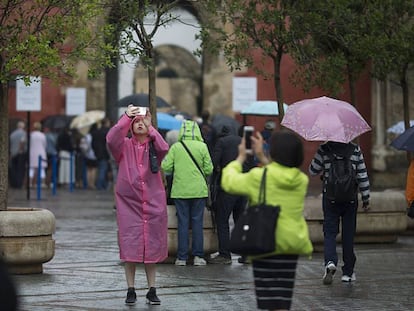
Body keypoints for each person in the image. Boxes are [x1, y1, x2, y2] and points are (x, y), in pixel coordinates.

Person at [221, 129, 313, 311]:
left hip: (265, 242)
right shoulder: (301, 180)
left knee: (268, 301)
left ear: (274, 152)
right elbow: (278, 173)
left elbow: (229, 182)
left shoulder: (258, 176)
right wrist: (263, 156)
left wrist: (240, 157)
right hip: (290, 244)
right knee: (282, 300)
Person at [106, 105, 169, 306]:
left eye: (143, 121)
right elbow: (111, 139)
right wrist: (126, 117)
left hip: (152, 204)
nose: (140, 123)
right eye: (136, 122)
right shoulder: (123, 147)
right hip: (129, 206)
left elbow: (164, 148)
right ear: (131, 127)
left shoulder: (154, 146)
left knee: (151, 249)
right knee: (130, 247)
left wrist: (151, 128)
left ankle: (152, 289)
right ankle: (130, 289)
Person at [309, 141, 370, 285]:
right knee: (348, 235)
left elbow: (312, 170)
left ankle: (330, 261)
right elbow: (362, 175)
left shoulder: (324, 149)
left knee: (329, 232)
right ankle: (348, 273)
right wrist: (366, 198)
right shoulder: (355, 149)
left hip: (330, 198)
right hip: (350, 199)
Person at [161, 120, 213, 266]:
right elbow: (209, 169)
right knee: (197, 223)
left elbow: (166, 166)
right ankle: (198, 256)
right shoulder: (202, 146)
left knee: (182, 224)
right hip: (198, 191)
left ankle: (182, 257)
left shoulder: (176, 147)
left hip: (180, 191)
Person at [207, 125, 252, 265]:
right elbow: (251, 163)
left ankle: (225, 254)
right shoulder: (245, 142)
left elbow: (213, 163)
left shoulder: (222, 142)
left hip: (228, 186)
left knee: (222, 220)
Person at [91, 118, 111, 190]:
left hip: (97, 153)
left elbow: (93, 144)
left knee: (101, 169)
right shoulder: (107, 132)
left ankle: (102, 184)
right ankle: (100, 185)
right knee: (103, 170)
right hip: (104, 153)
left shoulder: (96, 132)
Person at [9, 120, 27, 188]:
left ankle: (14, 184)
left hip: (13, 153)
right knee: (20, 169)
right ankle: (19, 184)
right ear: (23, 127)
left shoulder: (12, 134)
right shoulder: (24, 133)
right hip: (20, 153)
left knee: (14, 169)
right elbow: (22, 143)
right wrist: (20, 150)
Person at [29, 122, 48, 188]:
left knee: (31, 168)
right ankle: (43, 183)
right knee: (42, 169)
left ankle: (30, 183)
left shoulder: (31, 135)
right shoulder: (43, 135)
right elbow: (45, 145)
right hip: (41, 152)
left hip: (32, 152)